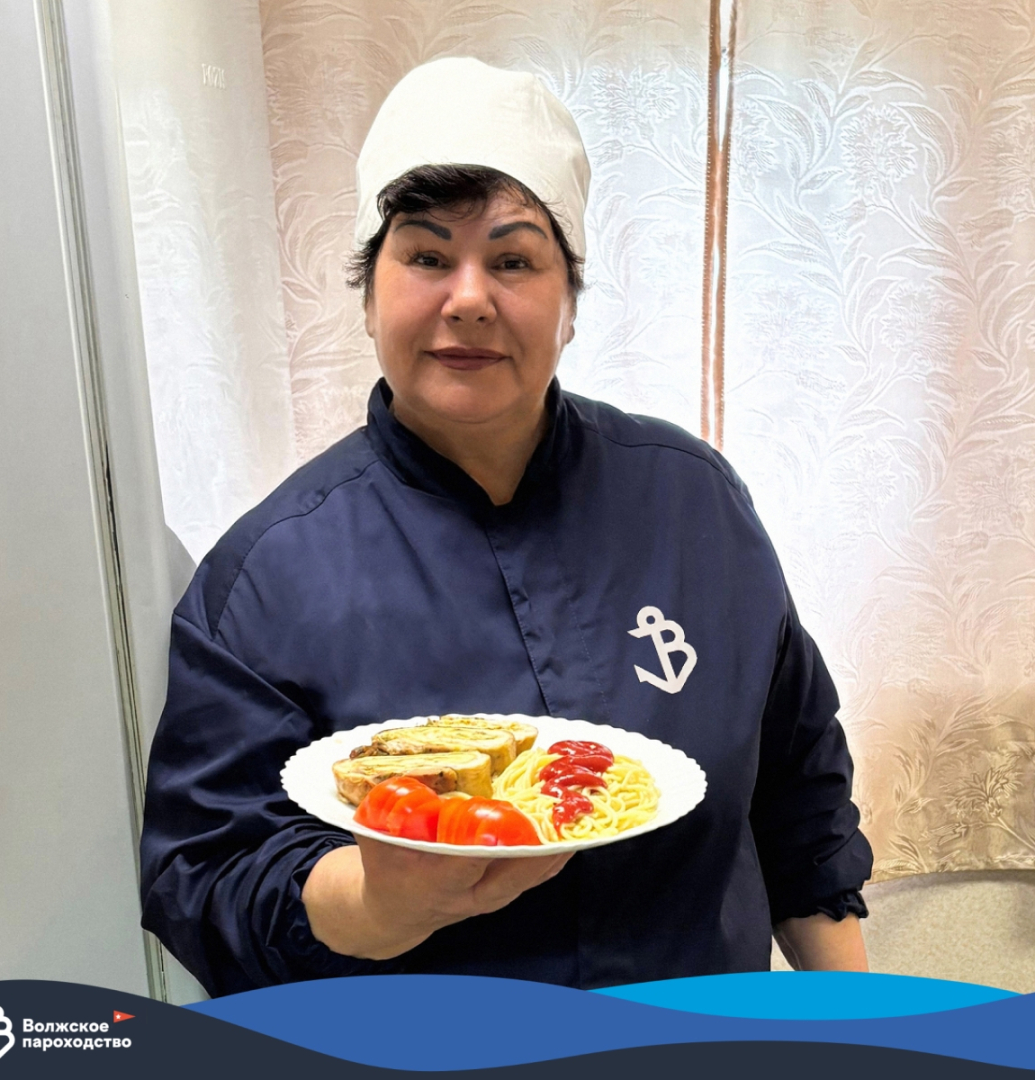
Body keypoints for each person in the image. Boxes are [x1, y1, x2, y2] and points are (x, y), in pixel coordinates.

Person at [140, 57, 873, 998]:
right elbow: (203, 874)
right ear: (368, 295)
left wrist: (856, 1022)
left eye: (514, 259)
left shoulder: (695, 502)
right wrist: (377, 905)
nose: (469, 298)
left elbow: (799, 790)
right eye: (426, 256)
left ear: (570, 303)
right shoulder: (267, 576)